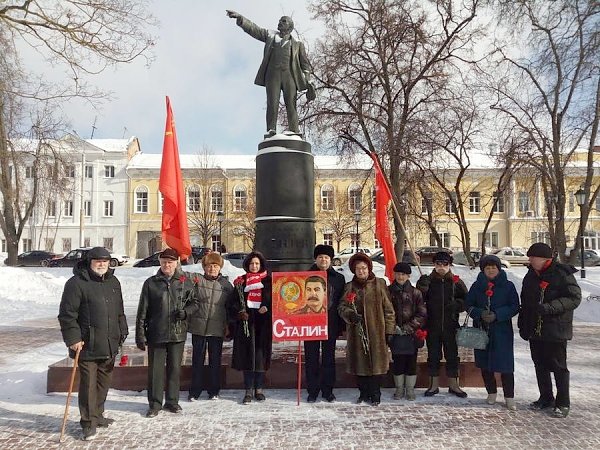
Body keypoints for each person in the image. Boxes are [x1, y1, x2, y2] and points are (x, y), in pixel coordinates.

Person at [58, 246, 128, 441]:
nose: (102, 264)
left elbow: (119, 311)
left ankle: (97, 415)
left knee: (103, 383)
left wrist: (122, 330)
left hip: (109, 343)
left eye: (105, 261)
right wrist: (73, 339)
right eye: (98, 261)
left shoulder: (114, 281)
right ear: (89, 262)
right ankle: (88, 423)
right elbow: (67, 315)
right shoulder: (76, 283)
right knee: (88, 385)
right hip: (87, 345)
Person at [518, 242, 581, 418]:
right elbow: (526, 302)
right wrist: (523, 324)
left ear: (545, 258)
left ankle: (563, 403)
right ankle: (546, 397)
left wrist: (551, 307)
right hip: (535, 329)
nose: (530, 260)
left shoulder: (562, 273)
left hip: (556, 329)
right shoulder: (530, 276)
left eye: (533, 258)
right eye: (529, 257)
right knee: (540, 365)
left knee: (559, 367)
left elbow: (574, 298)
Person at [226, 10, 312, 136]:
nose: (280, 23)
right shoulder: (270, 36)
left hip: (290, 77)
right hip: (273, 76)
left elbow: (305, 65)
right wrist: (241, 19)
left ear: (290, 27)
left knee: (291, 104)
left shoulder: (298, 44)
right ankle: (271, 130)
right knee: (272, 103)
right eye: (279, 21)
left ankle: (295, 131)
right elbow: (255, 30)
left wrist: (308, 80)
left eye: (283, 21)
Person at [135, 248, 198, 418]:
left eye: (170, 262)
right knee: (155, 371)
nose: (166, 265)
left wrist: (186, 312)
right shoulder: (151, 283)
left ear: (176, 263)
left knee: (174, 369)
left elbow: (195, 302)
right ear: (160, 263)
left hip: (177, 333)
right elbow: (143, 310)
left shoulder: (185, 282)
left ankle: (172, 401)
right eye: (163, 262)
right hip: (157, 333)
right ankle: (155, 404)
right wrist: (140, 334)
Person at [338, 253, 396, 406]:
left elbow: (389, 309)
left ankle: (375, 394)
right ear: (354, 270)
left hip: (377, 332)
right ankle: (363, 393)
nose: (361, 271)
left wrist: (389, 330)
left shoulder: (379, 284)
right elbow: (341, 307)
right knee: (360, 365)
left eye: (364, 268)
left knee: (376, 365)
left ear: (369, 269)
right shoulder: (349, 287)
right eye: (358, 269)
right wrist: (350, 315)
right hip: (357, 333)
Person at [466, 255, 520, 410]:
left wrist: (498, 314)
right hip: (481, 330)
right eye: (487, 268)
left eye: (493, 267)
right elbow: (468, 304)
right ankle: (491, 392)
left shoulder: (508, 286)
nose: (491, 270)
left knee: (505, 365)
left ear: (499, 269)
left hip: (501, 331)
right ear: (483, 270)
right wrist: (479, 313)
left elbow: (514, 306)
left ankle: (509, 396)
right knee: (485, 364)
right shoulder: (477, 286)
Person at [416, 251, 468, 398]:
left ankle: (454, 384)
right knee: (433, 355)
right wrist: (422, 288)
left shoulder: (456, 282)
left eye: (444, 263)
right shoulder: (427, 280)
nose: (441, 266)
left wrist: (458, 305)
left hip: (451, 325)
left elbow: (466, 300)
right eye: (438, 263)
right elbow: (418, 300)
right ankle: (433, 385)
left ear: (449, 264)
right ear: (434, 264)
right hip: (432, 326)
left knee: (452, 355)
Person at [227, 251, 272, 404]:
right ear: (247, 265)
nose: (254, 266)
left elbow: (275, 301)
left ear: (261, 265)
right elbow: (232, 303)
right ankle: (248, 390)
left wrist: (267, 307)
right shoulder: (241, 282)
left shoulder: (268, 282)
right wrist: (240, 312)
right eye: (252, 263)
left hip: (262, 324)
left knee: (260, 357)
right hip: (245, 324)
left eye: (257, 264)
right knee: (247, 357)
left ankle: (259, 389)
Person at [187, 253, 234, 401]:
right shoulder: (197, 280)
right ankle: (195, 391)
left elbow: (231, 307)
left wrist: (229, 325)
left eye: (215, 266)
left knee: (215, 361)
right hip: (199, 328)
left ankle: (214, 391)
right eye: (209, 266)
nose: (212, 269)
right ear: (204, 268)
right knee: (197, 361)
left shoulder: (226, 285)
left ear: (220, 268)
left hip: (217, 329)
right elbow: (181, 275)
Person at [303, 245, 346, 403]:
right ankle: (312, 390)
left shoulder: (338, 278)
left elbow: (342, 302)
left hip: (331, 324)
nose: (323, 260)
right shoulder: (305, 276)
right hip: (310, 324)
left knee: (329, 358)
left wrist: (341, 325)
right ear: (316, 259)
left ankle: (328, 390)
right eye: (321, 257)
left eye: (327, 258)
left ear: (331, 260)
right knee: (311, 358)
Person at [388, 262, 427, 401]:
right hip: (395, 333)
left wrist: (408, 328)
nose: (400, 276)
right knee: (397, 361)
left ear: (408, 276)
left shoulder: (416, 293)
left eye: (403, 274)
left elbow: (421, 314)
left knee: (411, 362)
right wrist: (392, 328)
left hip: (411, 334)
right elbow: (385, 312)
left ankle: (410, 389)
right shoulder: (388, 291)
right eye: (398, 273)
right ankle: (399, 388)